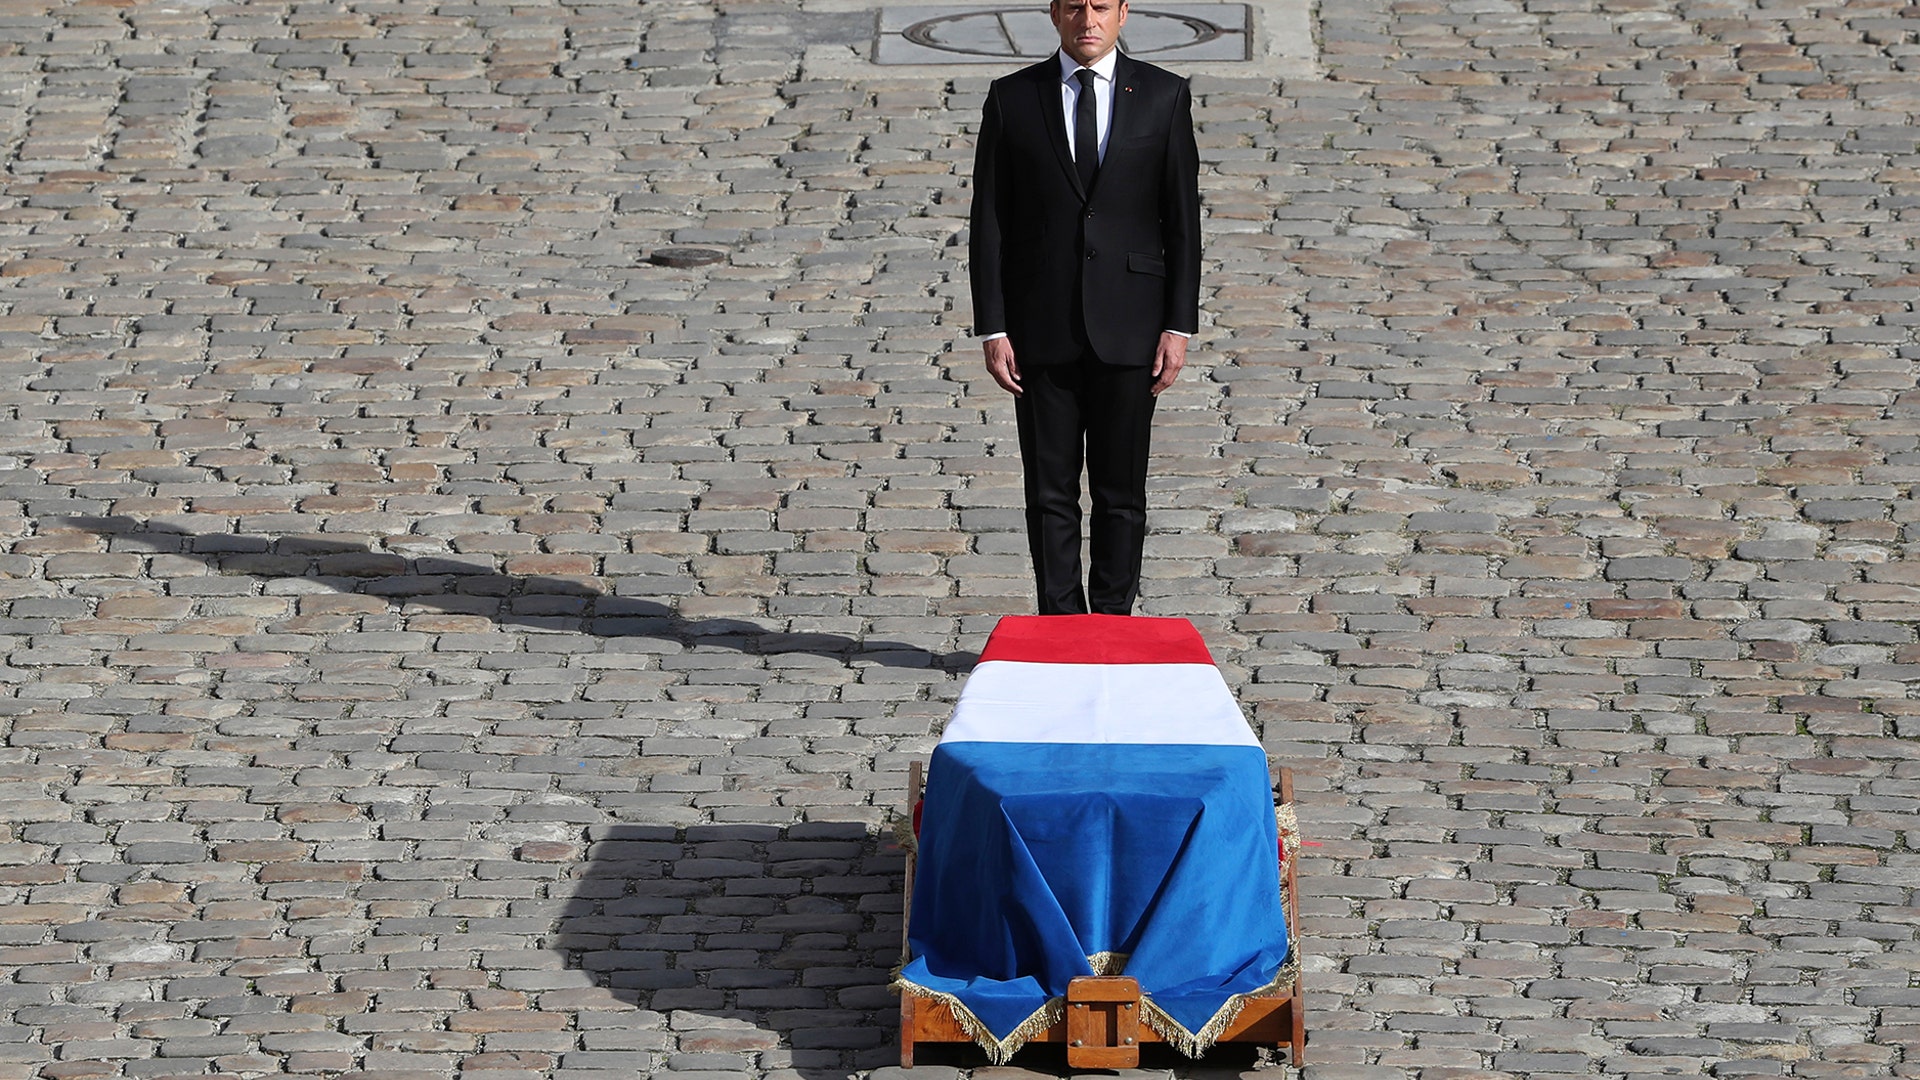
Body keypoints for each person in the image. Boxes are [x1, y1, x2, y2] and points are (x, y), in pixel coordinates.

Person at [970, 0, 1201, 616]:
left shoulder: (1163, 96)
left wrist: (1178, 325)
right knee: (1049, 493)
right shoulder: (1012, 99)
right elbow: (989, 222)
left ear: (1124, 13)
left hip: (1132, 325)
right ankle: (1062, 625)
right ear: (1054, 13)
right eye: (1075, 6)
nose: (1088, 20)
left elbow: (1181, 222)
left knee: (1121, 492)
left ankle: (1114, 622)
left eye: (1101, 6)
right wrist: (993, 327)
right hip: (1040, 327)